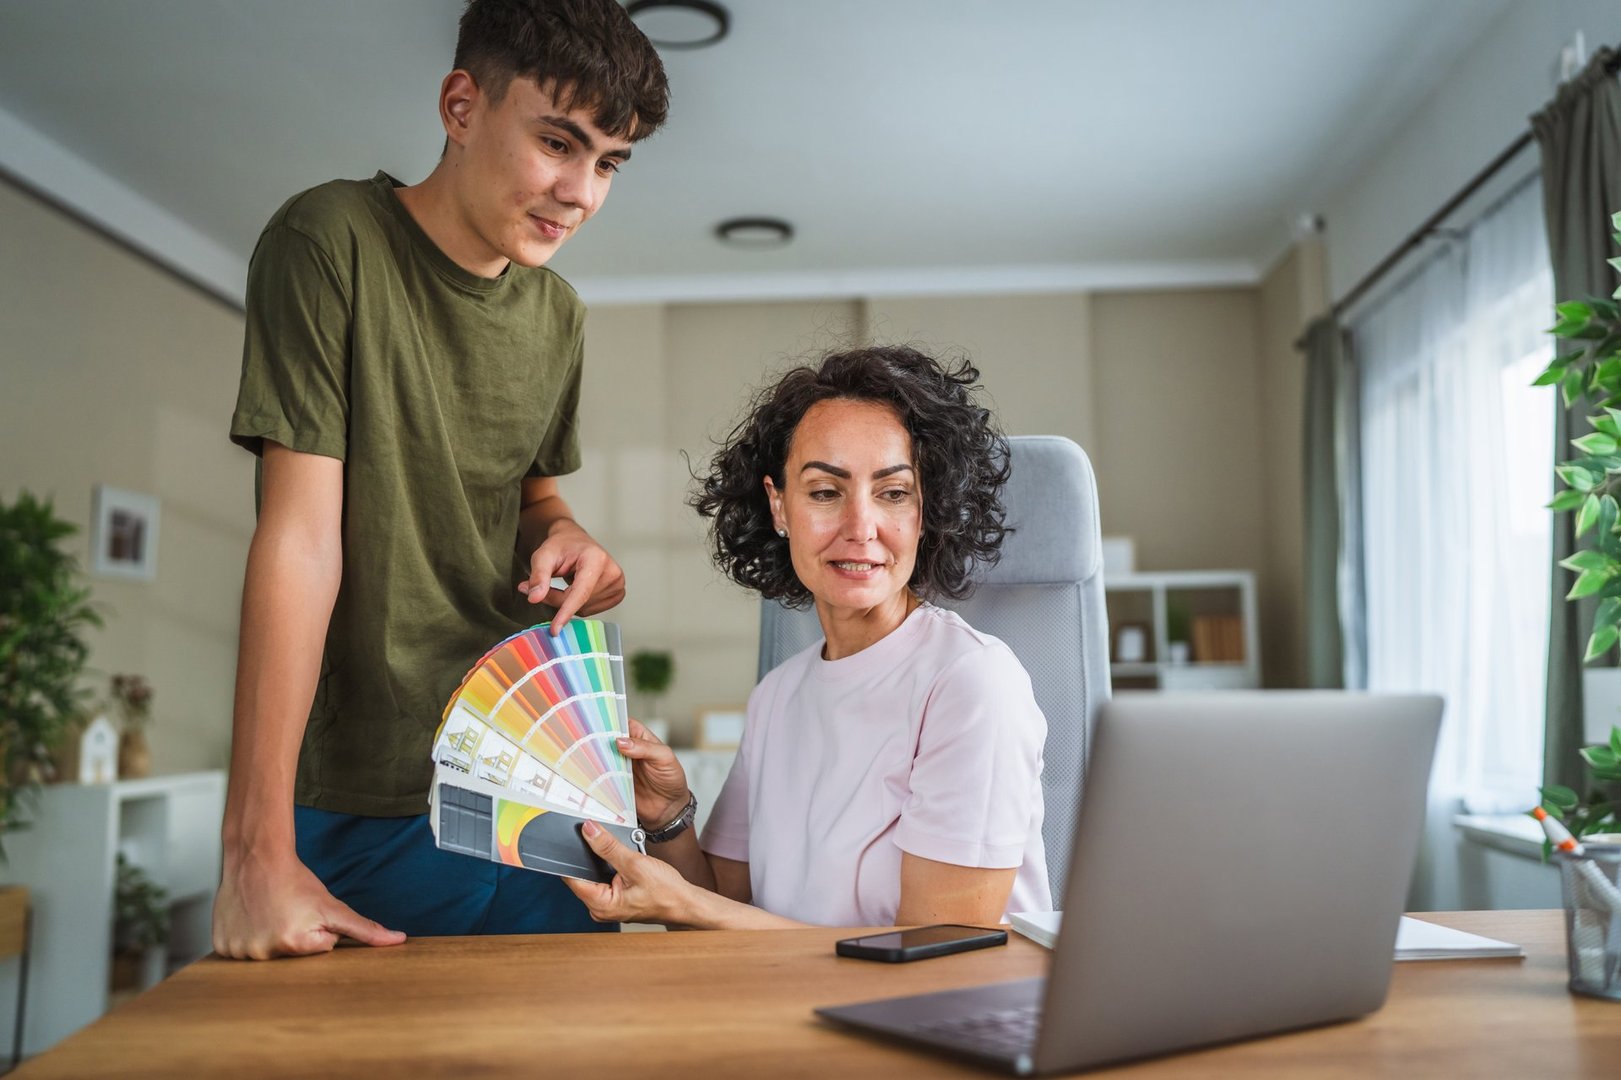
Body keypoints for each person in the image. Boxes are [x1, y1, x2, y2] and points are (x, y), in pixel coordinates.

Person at [212, 0, 669, 960]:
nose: (581, 191)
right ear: (461, 105)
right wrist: (253, 852)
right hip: (367, 788)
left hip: (531, 774)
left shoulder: (558, 315)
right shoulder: (329, 239)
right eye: (558, 142)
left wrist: (570, 536)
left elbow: (530, 498)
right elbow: (301, 538)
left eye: (610, 163)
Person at [564, 346, 1051, 928]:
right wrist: (669, 817)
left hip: (935, 1017)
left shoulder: (972, 682)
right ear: (779, 506)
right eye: (825, 492)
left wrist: (690, 905)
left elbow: (934, 954)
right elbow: (723, 905)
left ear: (927, 511)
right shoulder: (780, 693)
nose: (860, 527)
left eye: (893, 493)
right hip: (788, 1007)